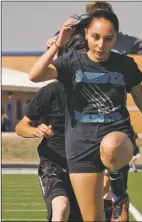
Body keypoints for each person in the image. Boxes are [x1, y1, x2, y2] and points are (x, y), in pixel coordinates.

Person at [29, 10, 142, 221]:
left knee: (112, 145)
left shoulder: (125, 65)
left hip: (116, 135)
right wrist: (57, 45)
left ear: (116, 38)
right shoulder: (71, 62)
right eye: (96, 37)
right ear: (86, 34)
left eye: (108, 39)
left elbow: (141, 98)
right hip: (81, 145)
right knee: (92, 218)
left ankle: (119, 194)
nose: (101, 44)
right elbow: (35, 76)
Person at [15, 38, 83, 222]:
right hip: (53, 163)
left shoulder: (94, 92)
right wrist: (36, 130)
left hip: (84, 165)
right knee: (61, 208)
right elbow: (21, 126)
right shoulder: (51, 91)